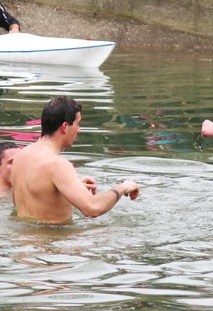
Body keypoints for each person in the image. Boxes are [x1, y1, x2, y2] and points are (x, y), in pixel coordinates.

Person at [12, 96, 140, 223]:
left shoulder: (20, 157)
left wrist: (72, 186)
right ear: (65, 127)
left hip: (22, 240)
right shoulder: (57, 164)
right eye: (77, 124)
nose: (79, 130)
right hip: (54, 240)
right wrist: (123, 187)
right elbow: (93, 208)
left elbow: (28, 200)